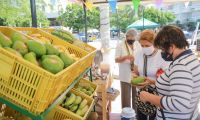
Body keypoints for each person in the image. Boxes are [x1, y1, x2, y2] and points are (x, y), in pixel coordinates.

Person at [139, 25, 200, 120]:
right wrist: (153, 82)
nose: (162, 52)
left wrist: (147, 96)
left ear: (172, 47)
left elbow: (178, 104)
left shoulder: (181, 66)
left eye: (163, 49)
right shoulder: (191, 58)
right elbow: (180, 86)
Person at [133, 29, 169, 120]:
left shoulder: (162, 56)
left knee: (154, 117)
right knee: (141, 116)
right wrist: (133, 78)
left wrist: (150, 82)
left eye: (147, 45)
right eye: (142, 45)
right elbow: (135, 72)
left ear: (155, 44)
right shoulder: (138, 54)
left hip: (156, 95)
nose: (144, 48)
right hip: (141, 93)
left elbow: (167, 80)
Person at [115, 29, 141, 109]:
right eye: (130, 38)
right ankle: (126, 114)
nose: (132, 40)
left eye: (134, 38)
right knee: (126, 98)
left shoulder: (137, 44)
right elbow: (116, 60)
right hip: (125, 74)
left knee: (136, 97)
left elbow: (141, 55)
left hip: (136, 74)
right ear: (126, 37)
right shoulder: (120, 45)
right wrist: (126, 57)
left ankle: (135, 115)